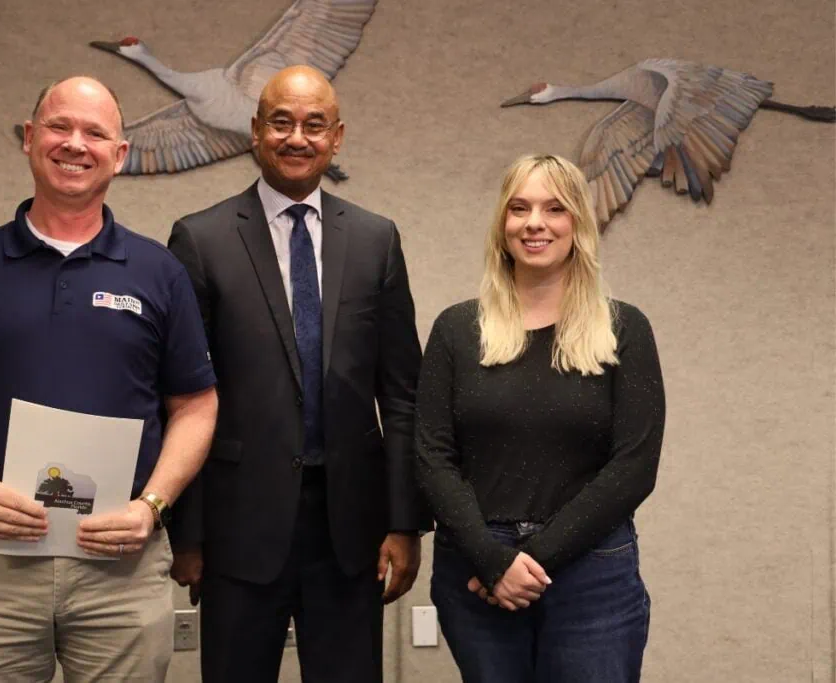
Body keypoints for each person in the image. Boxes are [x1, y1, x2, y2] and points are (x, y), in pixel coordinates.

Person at [0, 76, 218, 683]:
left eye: (95, 133)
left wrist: (153, 505)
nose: (75, 143)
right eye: (59, 126)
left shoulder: (160, 272)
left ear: (119, 155)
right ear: (29, 137)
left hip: (120, 565)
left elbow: (196, 405)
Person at [166, 65, 430, 683]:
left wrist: (405, 522)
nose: (297, 138)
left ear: (337, 137)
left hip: (350, 529)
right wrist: (187, 534)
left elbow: (401, 394)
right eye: (281, 122)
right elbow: (181, 398)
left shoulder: (376, 240)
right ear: (256, 131)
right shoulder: (200, 240)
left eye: (315, 125)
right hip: (237, 527)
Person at [415, 153, 666, 683]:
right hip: (477, 565)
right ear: (502, 223)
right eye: (519, 208)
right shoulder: (457, 329)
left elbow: (634, 467)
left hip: (592, 573)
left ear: (578, 223)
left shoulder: (624, 329)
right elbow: (432, 456)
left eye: (555, 209)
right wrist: (492, 560)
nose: (535, 223)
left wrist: (528, 561)